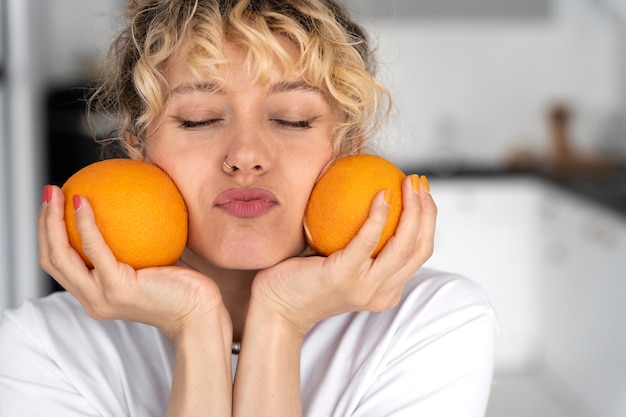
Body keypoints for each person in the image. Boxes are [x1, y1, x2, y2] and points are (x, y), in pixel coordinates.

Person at [0, 0, 497, 416]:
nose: (245, 156)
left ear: (346, 148)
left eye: (293, 119)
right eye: (199, 119)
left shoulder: (431, 322)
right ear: (139, 145)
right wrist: (194, 329)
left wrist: (279, 320)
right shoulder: (42, 347)